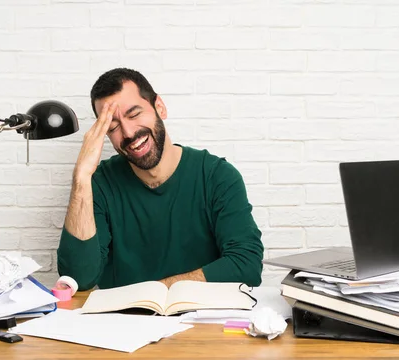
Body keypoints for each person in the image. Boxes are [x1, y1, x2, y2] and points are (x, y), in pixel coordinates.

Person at [57, 68, 264, 291]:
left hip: (203, 320)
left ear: (160, 107)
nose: (127, 133)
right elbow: (79, 277)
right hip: (124, 321)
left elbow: (247, 265)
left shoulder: (217, 176)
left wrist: (160, 290)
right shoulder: (98, 184)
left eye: (134, 114)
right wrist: (81, 177)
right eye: (113, 126)